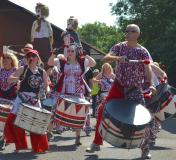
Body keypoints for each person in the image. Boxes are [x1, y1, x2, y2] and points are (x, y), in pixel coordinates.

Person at [86, 24, 156, 159]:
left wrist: (151, 85)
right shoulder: (119, 46)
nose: (128, 33)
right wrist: (118, 58)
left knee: (144, 119)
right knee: (101, 110)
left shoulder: (143, 51)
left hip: (135, 89)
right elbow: (105, 58)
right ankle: (96, 143)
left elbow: (148, 69)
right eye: (126, 31)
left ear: (137, 34)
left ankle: (145, 149)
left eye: (131, 31)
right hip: (118, 86)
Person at [0, 49, 50, 153]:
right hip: (21, 98)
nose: (31, 58)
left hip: (35, 99)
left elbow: (46, 85)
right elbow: (9, 79)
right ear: (26, 59)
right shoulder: (23, 69)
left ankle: (38, 147)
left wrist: (46, 91)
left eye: (33, 56)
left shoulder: (42, 71)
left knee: (36, 124)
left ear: (37, 58)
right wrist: (18, 77)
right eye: (28, 56)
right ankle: (20, 145)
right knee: (13, 121)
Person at [47, 43, 96, 145]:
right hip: (63, 91)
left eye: (72, 51)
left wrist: (85, 54)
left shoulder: (82, 62)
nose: (69, 53)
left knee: (78, 114)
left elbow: (93, 63)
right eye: (68, 51)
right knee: (54, 111)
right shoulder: (62, 62)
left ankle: (77, 137)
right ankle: (49, 133)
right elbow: (50, 62)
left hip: (78, 92)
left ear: (77, 52)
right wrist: (54, 53)